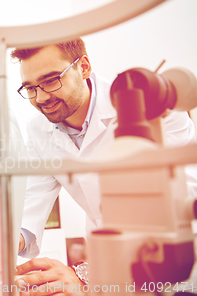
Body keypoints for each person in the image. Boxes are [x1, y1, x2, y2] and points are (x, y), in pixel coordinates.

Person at [11, 39, 197, 294]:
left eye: (51, 80)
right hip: (106, 268)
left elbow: (179, 202)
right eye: (30, 88)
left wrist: (84, 274)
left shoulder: (155, 108)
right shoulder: (38, 128)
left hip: (176, 262)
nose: (41, 97)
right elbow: (34, 194)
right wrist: (5, 242)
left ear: (84, 67)